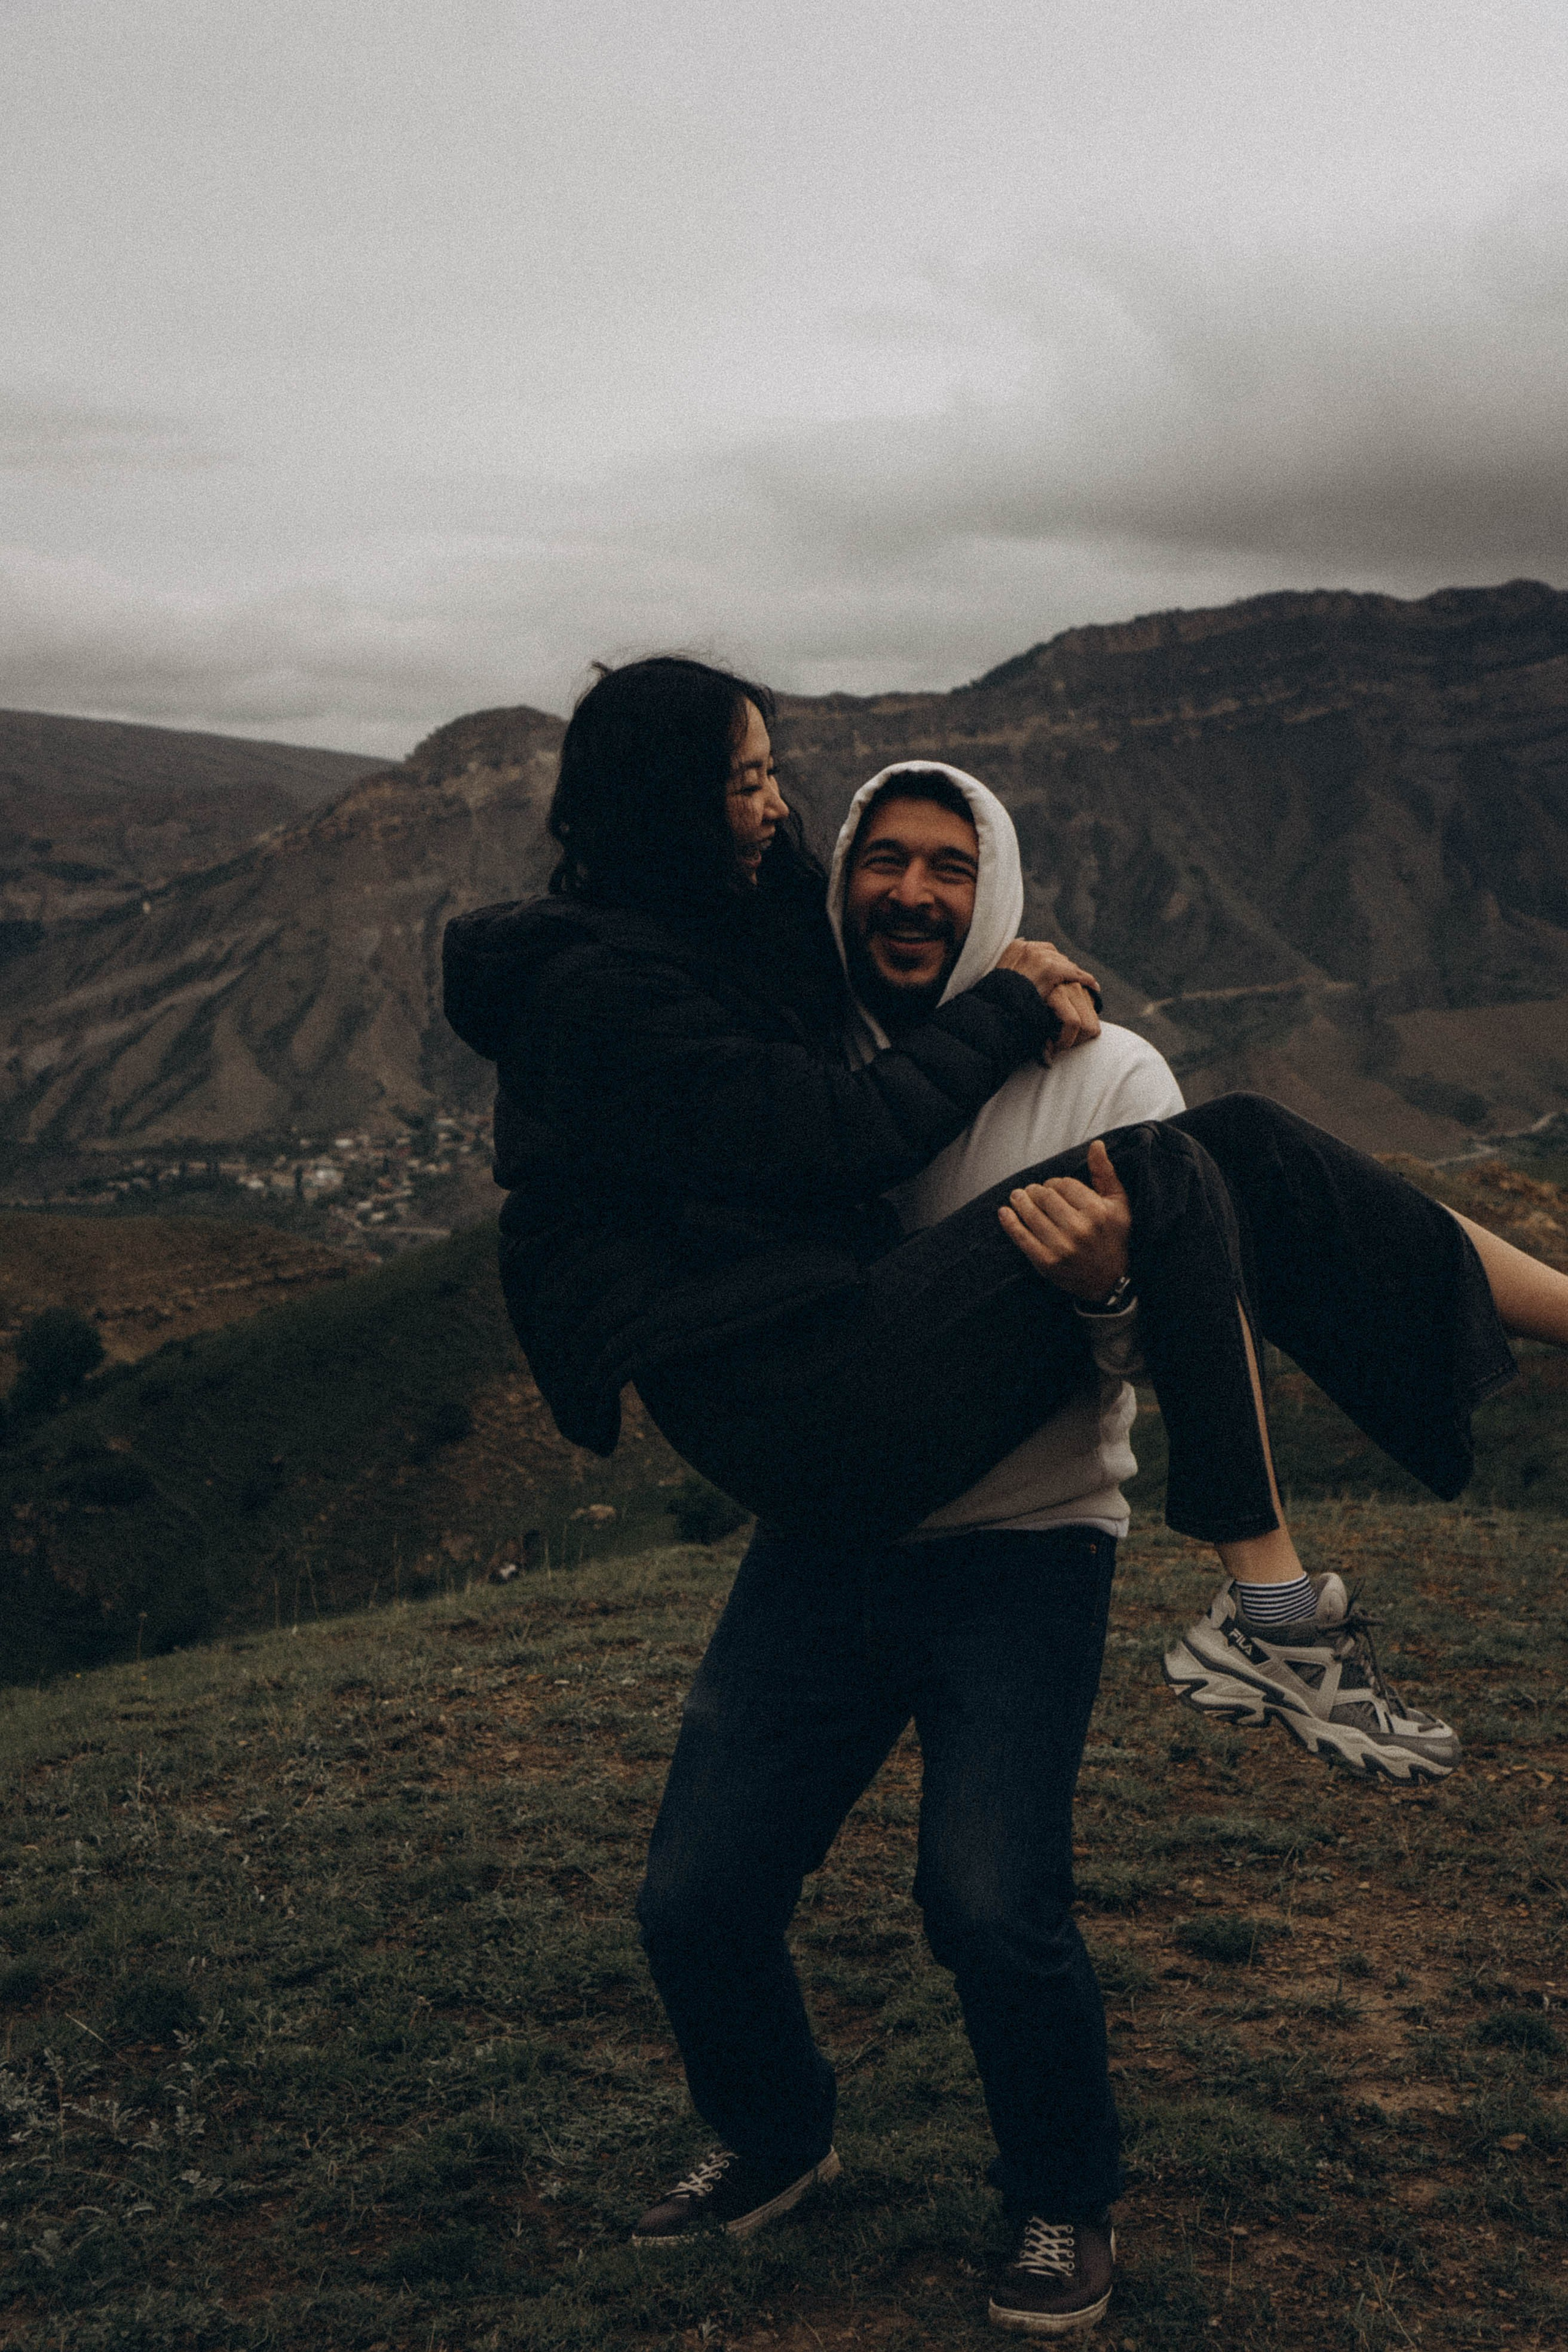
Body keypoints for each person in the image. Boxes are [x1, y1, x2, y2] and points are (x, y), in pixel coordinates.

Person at [442, 656, 1568, 2327]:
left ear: (1003, 891)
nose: (902, 887)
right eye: (870, 856)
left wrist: (1111, 1284)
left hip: (1022, 1548)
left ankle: (1058, 2199)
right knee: (695, 1903)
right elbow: (791, 1129)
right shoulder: (811, 1033)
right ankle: (773, 2138)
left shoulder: (1102, 1080)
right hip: (833, 1524)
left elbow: (1139, 1343)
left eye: (949, 869)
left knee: (992, 1908)